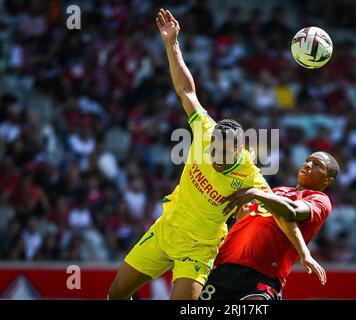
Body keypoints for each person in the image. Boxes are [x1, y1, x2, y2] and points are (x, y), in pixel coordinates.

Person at [108, 8, 272, 300]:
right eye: (212, 149)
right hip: (165, 230)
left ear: (239, 149)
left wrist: (255, 199)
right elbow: (186, 91)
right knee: (117, 295)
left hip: (197, 250)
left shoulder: (249, 174)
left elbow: (272, 211)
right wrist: (172, 43)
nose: (214, 155)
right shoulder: (205, 131)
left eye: (222, 153)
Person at [199, 151, 339, 300]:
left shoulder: (319, 199)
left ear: (328, 180)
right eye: (308, 160)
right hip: (225, 268)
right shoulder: (277, 191)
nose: (308, 164)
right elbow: (255, 221)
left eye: (317, 164)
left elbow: (292, 211)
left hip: (263, 274)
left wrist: (256, 193)